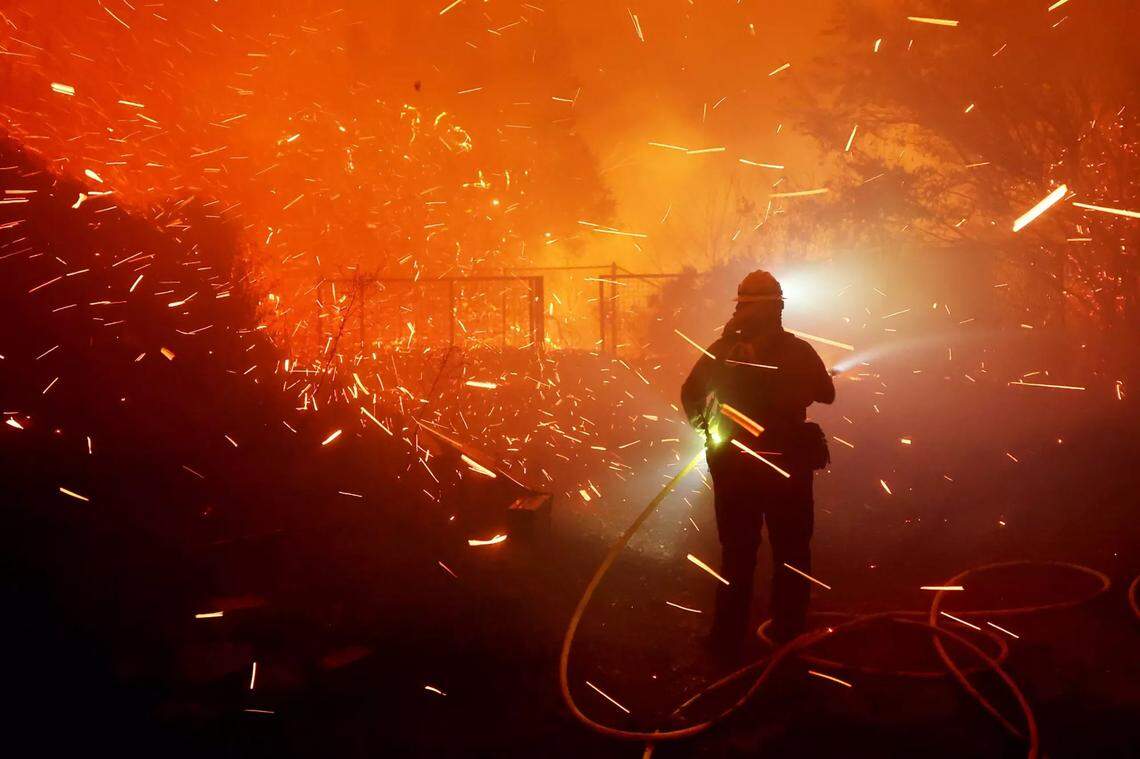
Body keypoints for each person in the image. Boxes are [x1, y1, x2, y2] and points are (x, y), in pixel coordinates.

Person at [681, 270, 835, 656]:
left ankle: (727, 638)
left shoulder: (721, 350)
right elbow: (827, 393)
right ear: (777, 307)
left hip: (734, 464)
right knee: (792, 551)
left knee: (737, 552)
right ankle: (789, 634)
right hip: (787, 465)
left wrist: (707, 430)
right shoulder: (797, 351)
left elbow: (691, 393)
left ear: (742, 307)